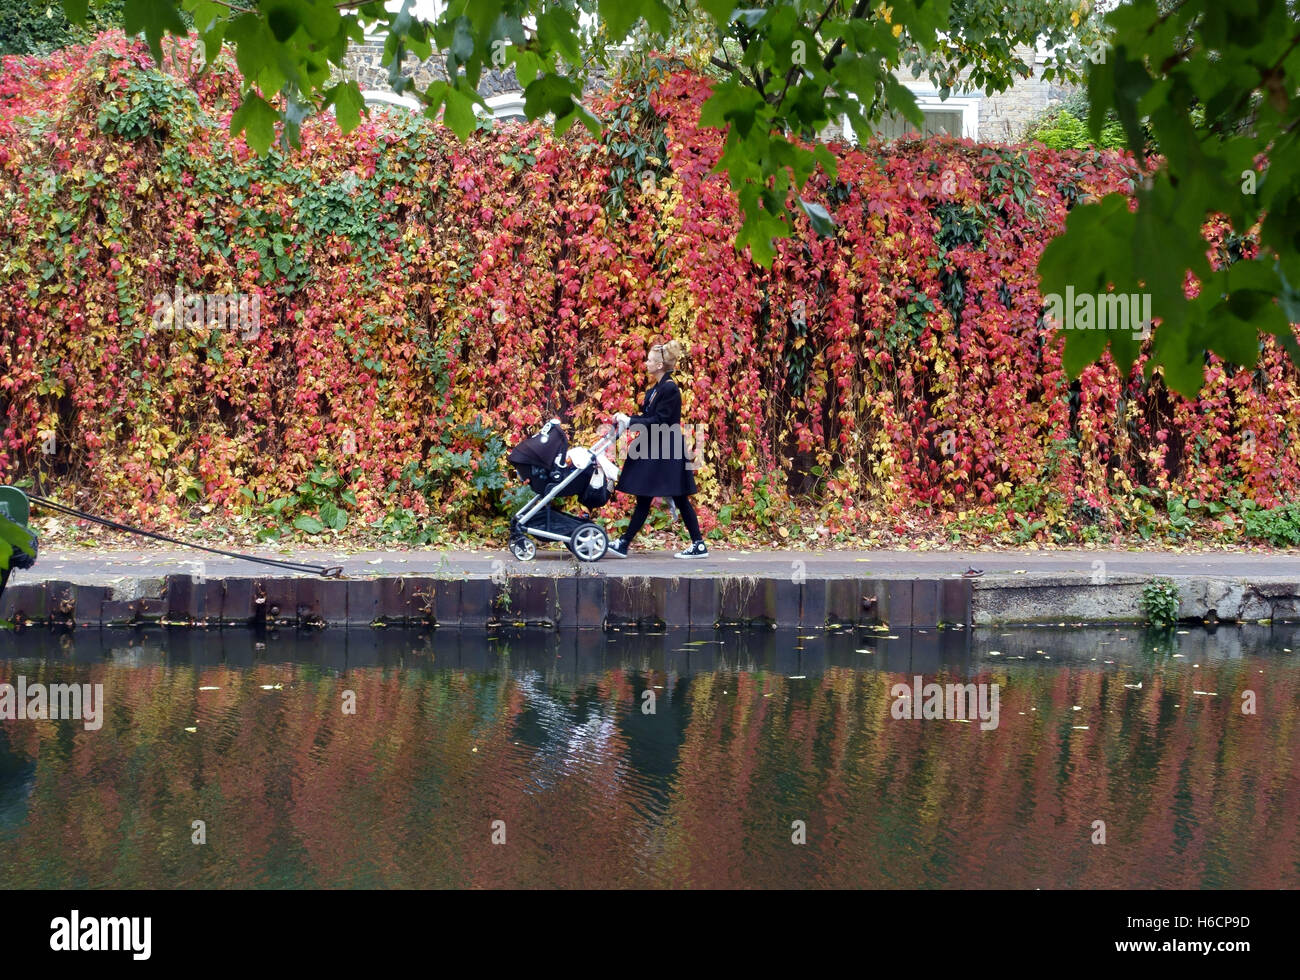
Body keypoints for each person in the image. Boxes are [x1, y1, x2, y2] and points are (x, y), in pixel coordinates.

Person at [607, 339, 708, 559]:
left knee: (679, 497)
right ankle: (624, 543)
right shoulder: (657, 389)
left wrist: (630, 421)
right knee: (646, 495)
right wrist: (627, 419)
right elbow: (649, 418)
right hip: (657, 447)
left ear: (660, 365)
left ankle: (698, 545)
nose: (646, 363)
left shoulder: (669, 389)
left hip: (667, 449)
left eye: (650, 360)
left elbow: (660, 421)